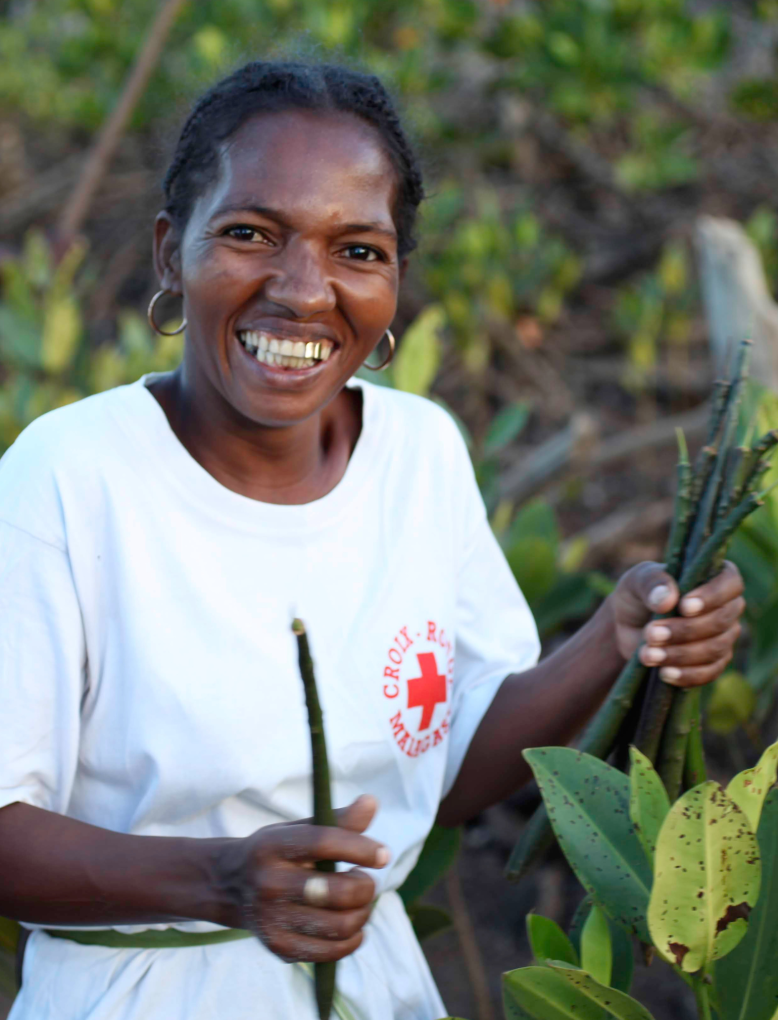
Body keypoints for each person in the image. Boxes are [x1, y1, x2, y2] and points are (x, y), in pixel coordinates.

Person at [0, 61, 744, 1020]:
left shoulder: (419, 454)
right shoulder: (69, 474)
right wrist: (223, 880)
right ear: (167, 253)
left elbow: (440, 768)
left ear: (394, 277)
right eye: (249, 234)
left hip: (377, 992)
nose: (305, 292)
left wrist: (619, 636)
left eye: (357, 250)